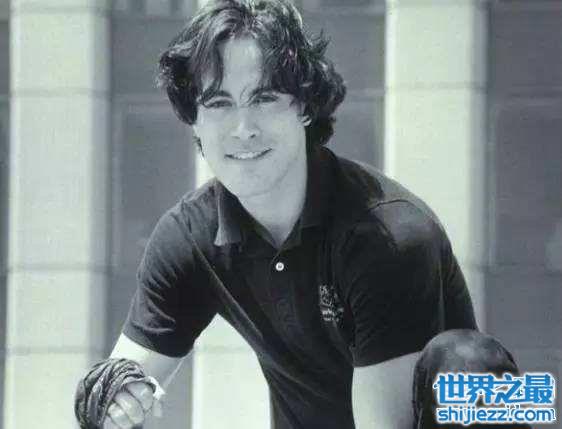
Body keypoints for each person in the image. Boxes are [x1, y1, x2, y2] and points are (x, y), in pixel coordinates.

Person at [75, 1, 525, 428]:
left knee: (467, 360)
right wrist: (114, 397)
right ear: (194, 119)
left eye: (264, 98)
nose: (243, 128)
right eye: (218, 103)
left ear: (305, 108)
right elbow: (114, 387)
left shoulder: (388, 235)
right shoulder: (190, 235)